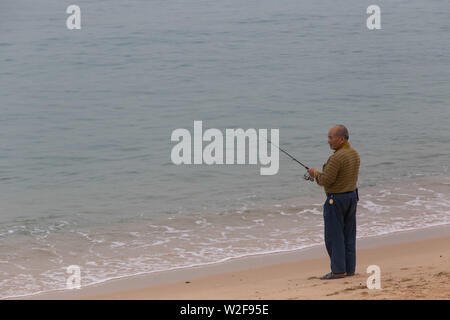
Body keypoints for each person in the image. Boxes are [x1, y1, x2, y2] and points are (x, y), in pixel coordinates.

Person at [308, 125, 360, 280]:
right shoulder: (354, 153)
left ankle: (338, 271)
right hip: (351, 197)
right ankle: (349, 269)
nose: (329, 141)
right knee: (348, 236)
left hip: (336, 201)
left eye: (331, 138)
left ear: (342, 139)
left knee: (334, 237)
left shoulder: (337, 157)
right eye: (329, 137)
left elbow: (325, 180)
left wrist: (314, 173)